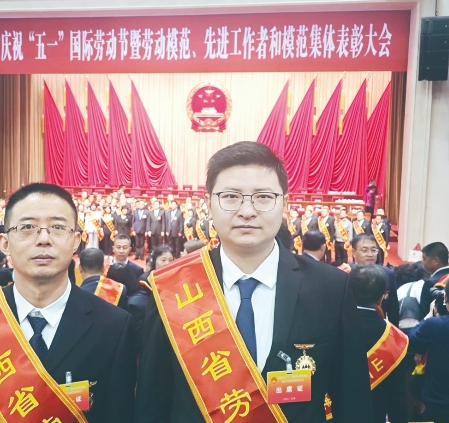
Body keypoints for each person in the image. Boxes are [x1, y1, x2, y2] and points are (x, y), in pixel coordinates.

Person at [135, 142, 372, 423]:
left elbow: (353, 403)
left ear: (285, 203)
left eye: (263, 197)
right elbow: (152, 402)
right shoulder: (174, 289)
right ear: (208, 203)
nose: (247, 211)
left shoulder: (331, 288)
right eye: (231, 196)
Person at [0, 183, 136, 423]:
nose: (43, 239)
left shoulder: (113, 326)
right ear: (4, 243)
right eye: (27, 227)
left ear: (76, 241)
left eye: (58, 227)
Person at [349, 265, 409, 423]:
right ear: (382, 297)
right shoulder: (395, 338)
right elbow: (397, 394)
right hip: (374, 414)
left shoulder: (331, 326)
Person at [409, 280, 449, 423]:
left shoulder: (434, 325)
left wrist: (428, 317)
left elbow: (411, 338)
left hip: (439, 406)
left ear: (445, 298)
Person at [351, 234, 400, 327]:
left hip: (379, 327)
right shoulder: (345, 273)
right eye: (364, 250)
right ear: (354, 252)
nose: (370, 254)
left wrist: (394, 329)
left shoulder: (388, 274)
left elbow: (393, 307)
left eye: (374, 250)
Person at [418, 242, 449, 321]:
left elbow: (425, 314)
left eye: (424, 258)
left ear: (435, 261)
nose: (422, 262)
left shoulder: (430, 283)